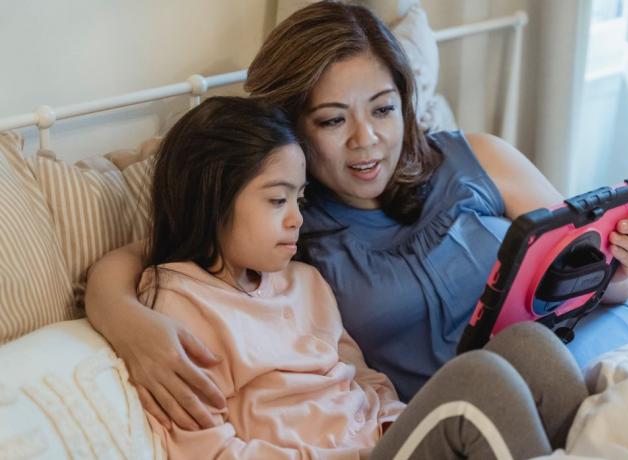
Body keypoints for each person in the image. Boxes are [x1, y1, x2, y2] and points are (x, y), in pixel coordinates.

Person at [85, 0, 628, 436]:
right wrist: (122, 317)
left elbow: (587, 279)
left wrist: (619, 269)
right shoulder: (286, 227)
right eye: (334, 120)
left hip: (588, 356)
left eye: (383, 109)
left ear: (404, 103)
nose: (368, 141)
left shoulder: (476, 156)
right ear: (294, 127)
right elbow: (155, 247)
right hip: (461, 416)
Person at [136, 95, 589, 459]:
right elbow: (206, 449)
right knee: (477, 384)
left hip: (380, 441)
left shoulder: (305, 282)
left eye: (300, 199)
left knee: (531, 347)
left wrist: (397, 423)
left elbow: (364, 379)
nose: (297, 219)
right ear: (212, 201)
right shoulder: (180, 304)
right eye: (278, 201)